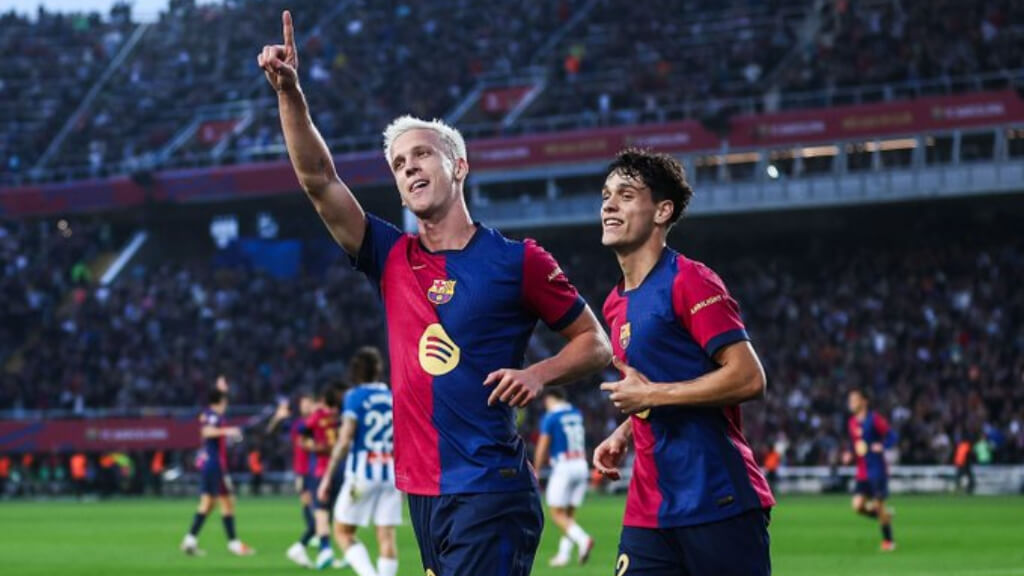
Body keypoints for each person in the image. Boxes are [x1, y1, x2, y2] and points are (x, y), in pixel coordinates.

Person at [258, 12, 612, 575]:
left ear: (459, 164)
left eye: (420, 154)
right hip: (421, 491)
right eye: (398, 163)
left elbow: (597, 344)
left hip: (487, 489)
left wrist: (537, 375)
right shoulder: (391, 256)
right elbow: (319, 181)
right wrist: (290, 94)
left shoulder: (518, 261)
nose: (408, 167)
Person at [593, 149, 775, 575]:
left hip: (716, 498)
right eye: (606, 194)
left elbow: (749, 378)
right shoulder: (614, 302)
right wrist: (624, 431)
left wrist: (652, 394)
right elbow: (664, 383)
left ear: (662, 211)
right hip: (650, 507)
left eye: (625, 194)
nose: (608, 204)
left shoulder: (690, 280)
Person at [318, 347, 401, 576]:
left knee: (342, 531)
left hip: (363, 474)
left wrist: (327, 477)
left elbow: (344, 440)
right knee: (386, 535)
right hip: (391, 474)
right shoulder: (392, 395)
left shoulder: (354, 396)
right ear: (379, 370)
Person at [180, 388, 255, 557]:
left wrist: (221, 387)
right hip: (213, 464)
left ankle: (192, 540)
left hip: (213, 464)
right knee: (214, 502)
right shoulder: (213, 415)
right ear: (222, 401)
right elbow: (206, 431)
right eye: (225, 400)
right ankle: (231, 543)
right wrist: (228, 431)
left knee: (221, 502)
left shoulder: (208, 413)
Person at [534, 388, 594, 567]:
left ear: (550, 399)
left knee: (557, 514)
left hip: (563, 466)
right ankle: (564, 555)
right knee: (569, 515)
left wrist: (536, 469)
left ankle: (583, 540)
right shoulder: (576, 413)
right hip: (581, 464)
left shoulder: (551, 417)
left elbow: (543, 445)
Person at [268, 391, 320, 568]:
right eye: (302, 403)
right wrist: (277, 417)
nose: (305, 406)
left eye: (308, 403)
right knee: (314, 508)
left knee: (318, 509)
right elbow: (271, 431)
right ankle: (313, 540)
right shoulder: (297, 424)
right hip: (304, 471)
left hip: (317, 471)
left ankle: (315, 540)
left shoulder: (318, 423)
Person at [843, 387, 896, 551]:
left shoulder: (874, 419)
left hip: (877, 470)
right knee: (857, 506)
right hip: (862, 472)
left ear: (864, 401)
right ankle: (884, 515)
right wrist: (849, 454)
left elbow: (892, 436)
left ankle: (889, 541)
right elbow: (855, 445)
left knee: (879, 505)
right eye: (850, 400)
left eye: (854, 400)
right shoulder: (851, 422)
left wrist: (883, 446)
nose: (851, 403)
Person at [306, 385, 342, 569]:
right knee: (337, 513)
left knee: (321, 511)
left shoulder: (317, 417)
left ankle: (325, 549)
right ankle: (341, 550)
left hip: (322, 470)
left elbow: (303, 432)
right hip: (340, 469)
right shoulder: (339, 418)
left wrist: (312, 445)